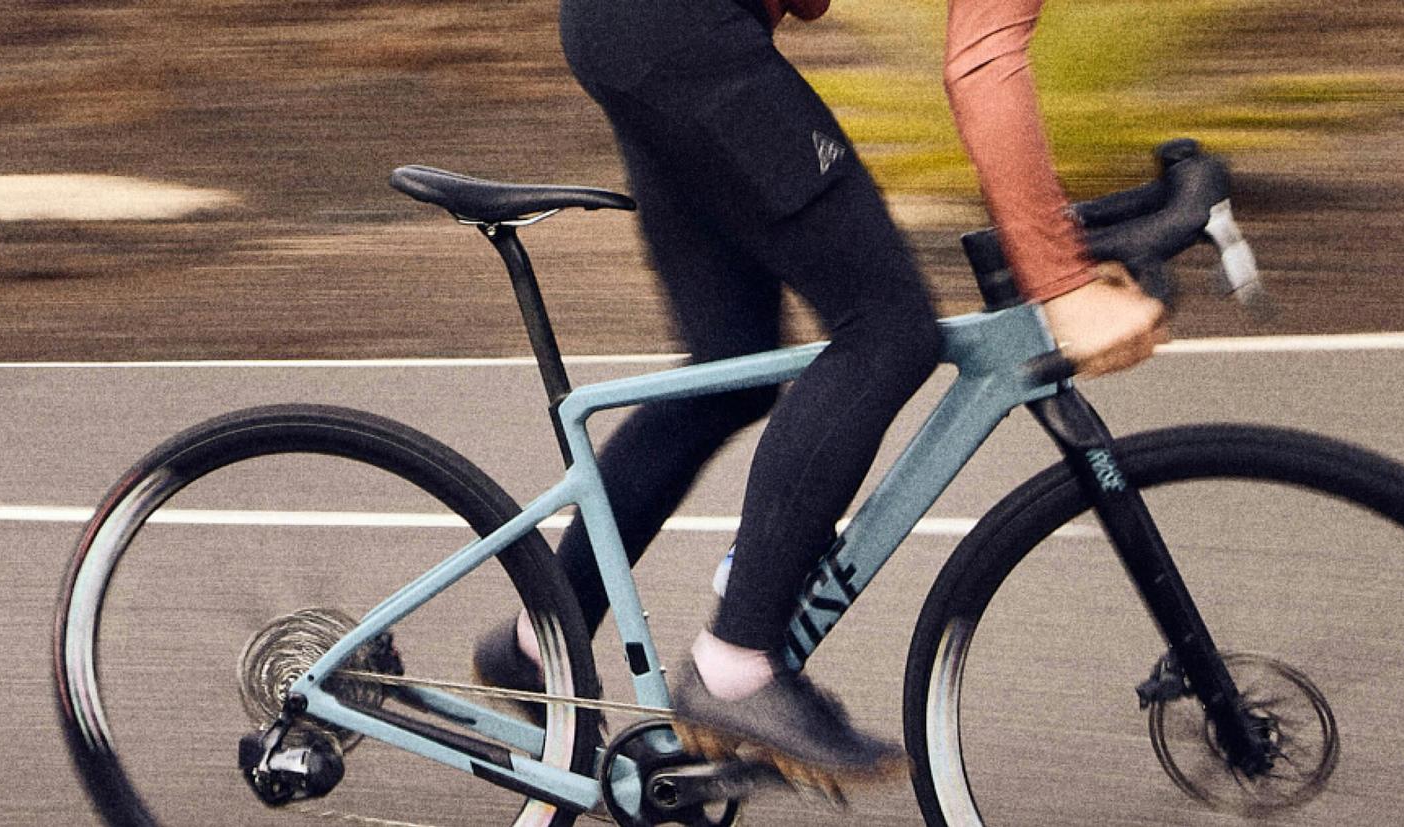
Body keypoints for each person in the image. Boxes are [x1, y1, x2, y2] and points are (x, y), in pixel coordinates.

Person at [474, 0, 1176, 791]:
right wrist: (1061, 284)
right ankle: (735, 668)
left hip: (638, 28)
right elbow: (983, 60)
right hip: (675, 30)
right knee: (888, 329)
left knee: (729, 369)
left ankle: (544, 637)